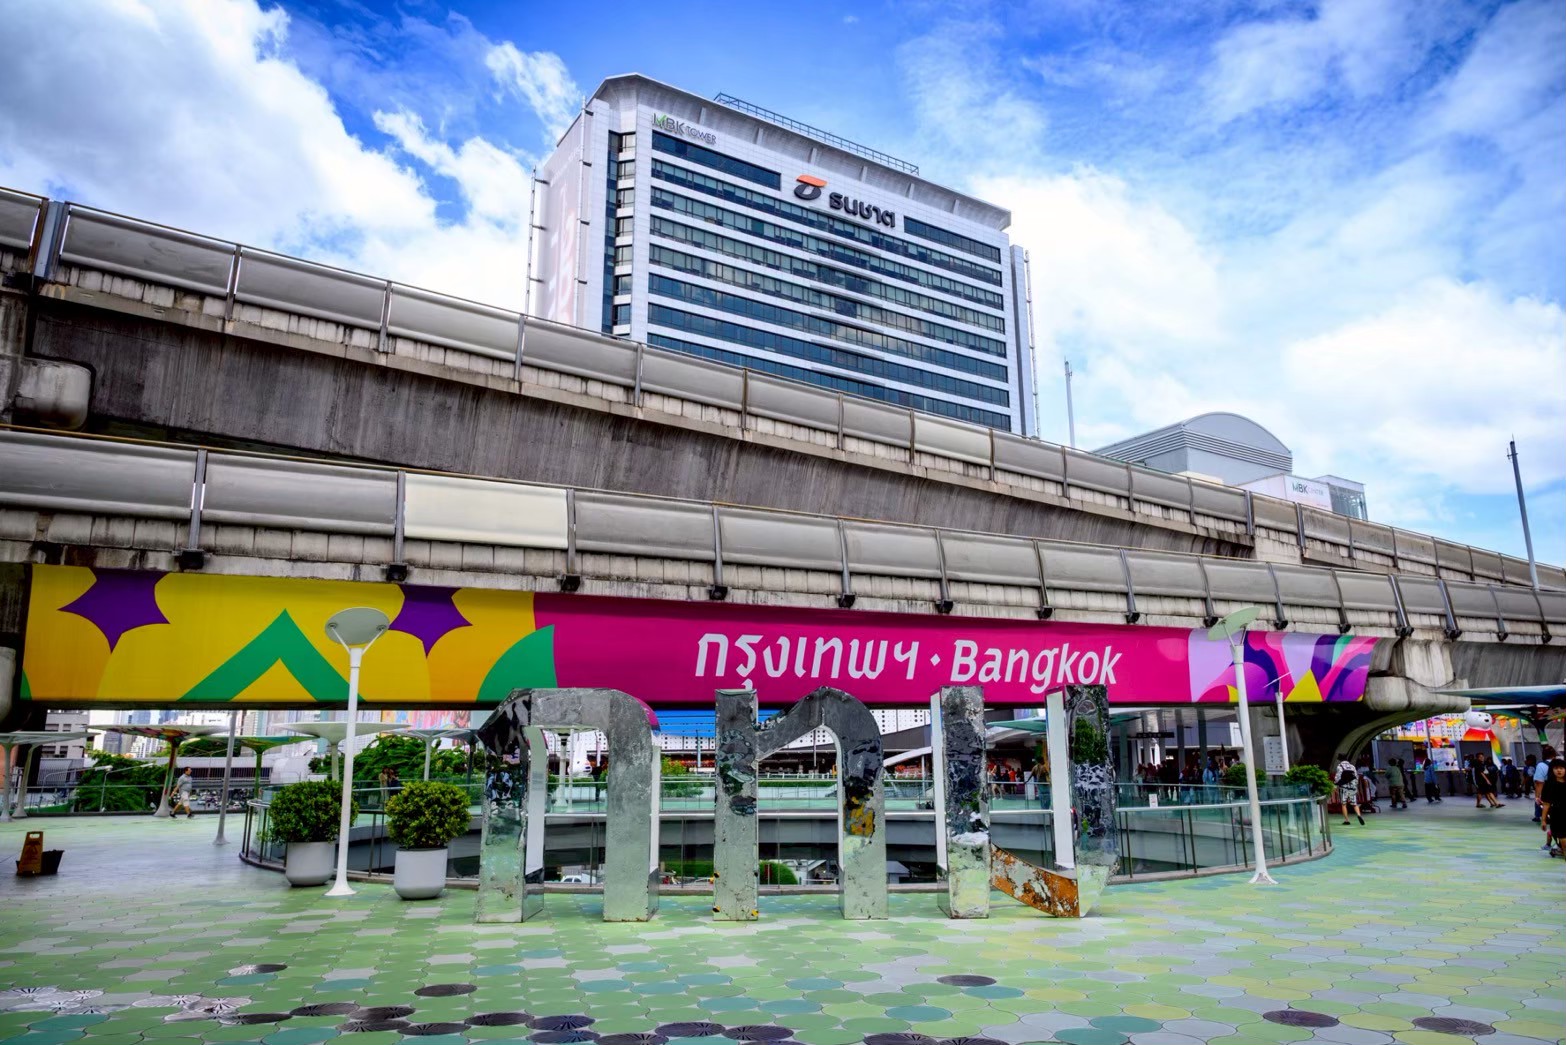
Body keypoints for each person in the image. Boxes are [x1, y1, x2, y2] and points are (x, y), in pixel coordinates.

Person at [1538, 758, 1565, 858]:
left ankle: (1559, 850)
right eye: (1556, 768)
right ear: (1552, 770)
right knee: (1562, 837)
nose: (1559, 770)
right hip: (1556, 815)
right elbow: (1546, 804)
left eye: (1561, 768)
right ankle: (1559, 849)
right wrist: (1543, 820)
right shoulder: (1549, 785)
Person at [1534, 746, 1557, 843]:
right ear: (1554, 754)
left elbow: (1539, 782)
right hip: (1560, 794)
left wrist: (1537, 796)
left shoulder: (1541, 765)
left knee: (1552, 819)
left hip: (1547, 795)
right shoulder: (1559, 764)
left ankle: (1554, 842)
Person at [1334, 755, 1365, 826]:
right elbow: (1356, 777)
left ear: (1340, 760)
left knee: (1344, 804)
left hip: (1344, 787)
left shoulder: (1340, 766)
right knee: (1354, 803)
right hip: (1352, 787)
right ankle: (1359, 815)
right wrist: (1355, 785)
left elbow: (1338, 777)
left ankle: (1346, 820)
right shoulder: (1352, 766)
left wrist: (1335, 785)